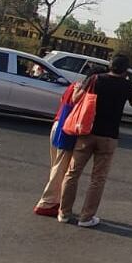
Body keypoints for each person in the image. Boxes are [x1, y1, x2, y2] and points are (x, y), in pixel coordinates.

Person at [58, 54, 132, 228]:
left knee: (73, 173)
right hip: (109, 137)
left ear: (110, 66)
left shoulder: (95, 79)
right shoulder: (128, 85)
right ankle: (86, 218)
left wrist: (80, 86)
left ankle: (64, 213)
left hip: (87, 131)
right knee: (98, 179)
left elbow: (75, 98)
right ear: (126, 70)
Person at [32, 80, 79, 217]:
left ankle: (54, 200)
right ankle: (47, 203)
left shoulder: (74, 85)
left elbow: (62, 99)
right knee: (61, 168)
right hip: (68, 128)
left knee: (56, 166)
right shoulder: (84, 89)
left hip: (57, 124)